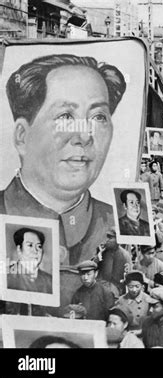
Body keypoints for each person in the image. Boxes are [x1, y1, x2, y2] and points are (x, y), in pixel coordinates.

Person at [0, 54, 127, 308]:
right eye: (66, 116)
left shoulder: (118, 225)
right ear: (22, 136)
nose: (85, 135)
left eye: (99, 117)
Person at [7, 227, 52, 294]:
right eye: (30, 245)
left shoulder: (50, 280)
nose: (35, 251)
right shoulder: (6, 276)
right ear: (19, 250)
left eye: (39, 246)